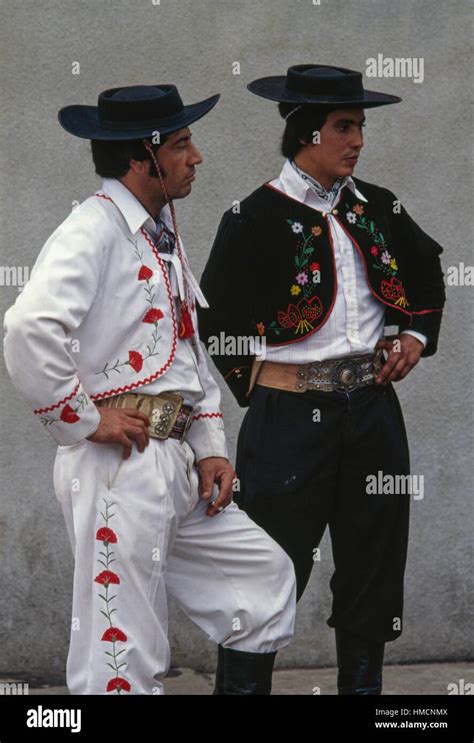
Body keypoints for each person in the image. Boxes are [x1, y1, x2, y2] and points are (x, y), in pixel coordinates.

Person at [3, 83, 296, 695]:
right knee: (121, 650)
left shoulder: (159, 229)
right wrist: (85, 421)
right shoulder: (93, 228)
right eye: (183, 144)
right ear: (143, 157)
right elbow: (28, 327)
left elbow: (186, 344)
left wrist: (211, 440)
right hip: (118, 464)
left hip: (175, 458)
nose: (197, 157)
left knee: (261, 582)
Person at [198, 65, 446, 695]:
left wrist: (413, 337)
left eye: (360, 126)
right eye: (344, 126)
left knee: (372, 570)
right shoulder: (252, 216)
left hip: (373, 415)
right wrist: (261, 380)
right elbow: (215, 317)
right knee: (264, 575)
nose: (357, 139)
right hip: (287, 424)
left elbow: (426, 271)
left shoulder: (378, 206)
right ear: (307, 131)